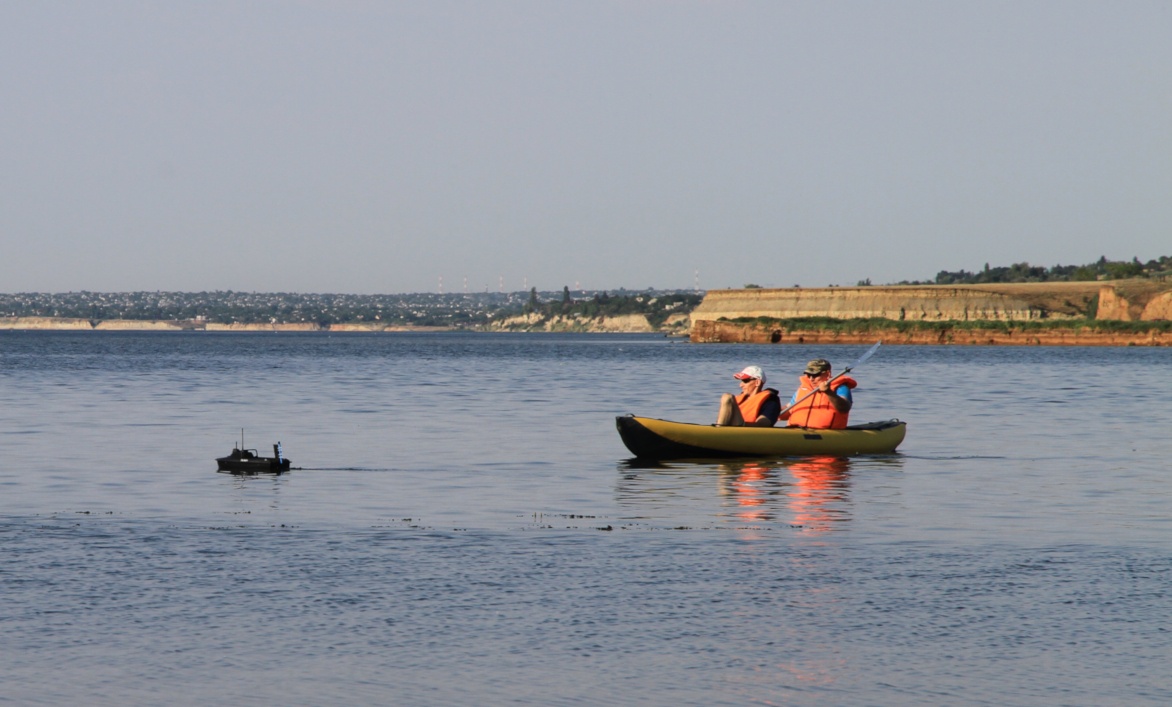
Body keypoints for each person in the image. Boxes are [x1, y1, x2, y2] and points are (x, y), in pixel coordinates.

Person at [779, 358, 856, 429]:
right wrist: (773, 410)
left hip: (827, 434)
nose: (811, 379)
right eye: (808, 375)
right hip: (797, 430)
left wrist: (828, 392)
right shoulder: (803, 389)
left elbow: (844, 408)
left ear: (828, 374)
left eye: (815, 375)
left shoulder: (841, 388)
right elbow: (788, 411)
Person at [716, 365, 781, 427]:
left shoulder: (771, 401)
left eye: (745, 381)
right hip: (734, 429)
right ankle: (718, 431)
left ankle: (719, 432)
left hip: (749, 433)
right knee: (726, 397)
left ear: (757, 382)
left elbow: (762, 424)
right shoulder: (741, 398)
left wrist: (742, 425)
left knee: (728, 397)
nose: (740, 385)